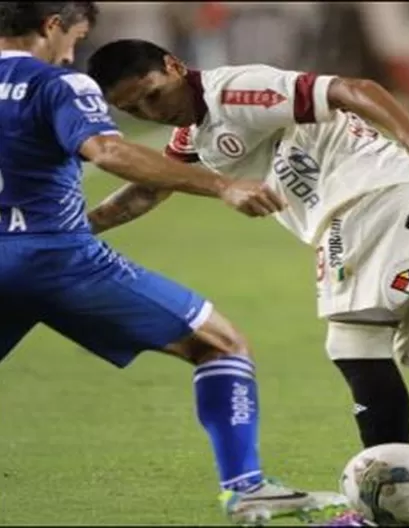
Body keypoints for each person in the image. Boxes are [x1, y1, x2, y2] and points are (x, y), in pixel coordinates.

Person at [82, 39, 409, 461]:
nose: (152, 112)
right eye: (134, 110)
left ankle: (393, 502)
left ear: (173, 66)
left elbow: (353, 89)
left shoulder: (233, 90)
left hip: (377, 200)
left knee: (353, 346)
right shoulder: (195, 128)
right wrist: (78, 226)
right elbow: (151, 187)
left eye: (153, 95)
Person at [0, 2, 350, 525]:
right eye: (75, 38)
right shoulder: (60, 84)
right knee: (219, 343)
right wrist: (224, 183)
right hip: (59, 258)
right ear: (52, 26)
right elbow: (109, 152)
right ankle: (246, 487)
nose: (73, 52)